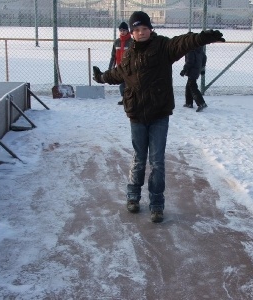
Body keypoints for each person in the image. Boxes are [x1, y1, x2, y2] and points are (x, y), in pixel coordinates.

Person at [92, 11, 225, 222]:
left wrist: (203, 37)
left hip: (159, 115)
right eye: (136, 30)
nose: (141, 32)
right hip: (136, 115)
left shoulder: (163, 47)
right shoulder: (129, 55)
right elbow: (116, 74)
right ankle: (133, 196)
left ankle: (156, 204)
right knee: (138, 159)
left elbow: (183, 43)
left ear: (150, 29)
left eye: (144, 28)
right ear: (132, 33)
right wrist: (100, 77)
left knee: (157, 161)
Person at [108, 21, 133, 105]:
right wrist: (110, 68)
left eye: (124, 30)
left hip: (130, 67)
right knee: (122, 85)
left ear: (127, 31)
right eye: (121, 30)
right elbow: (113, 56)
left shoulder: (131, 42)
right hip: (120, 67)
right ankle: (125, 99)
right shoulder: (117, 42)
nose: (122, 32)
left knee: (129, 84)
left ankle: (130, 99)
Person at [180, 46, 208, 112]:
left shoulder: (190, 49)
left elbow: (190, 61)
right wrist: (202, 67)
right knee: (189, 85)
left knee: (192, 86)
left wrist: (184, 70)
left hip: (192, 70)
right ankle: (189, 103)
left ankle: (201, 103)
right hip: (197, 69)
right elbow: (204, 58)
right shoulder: (199, 48)